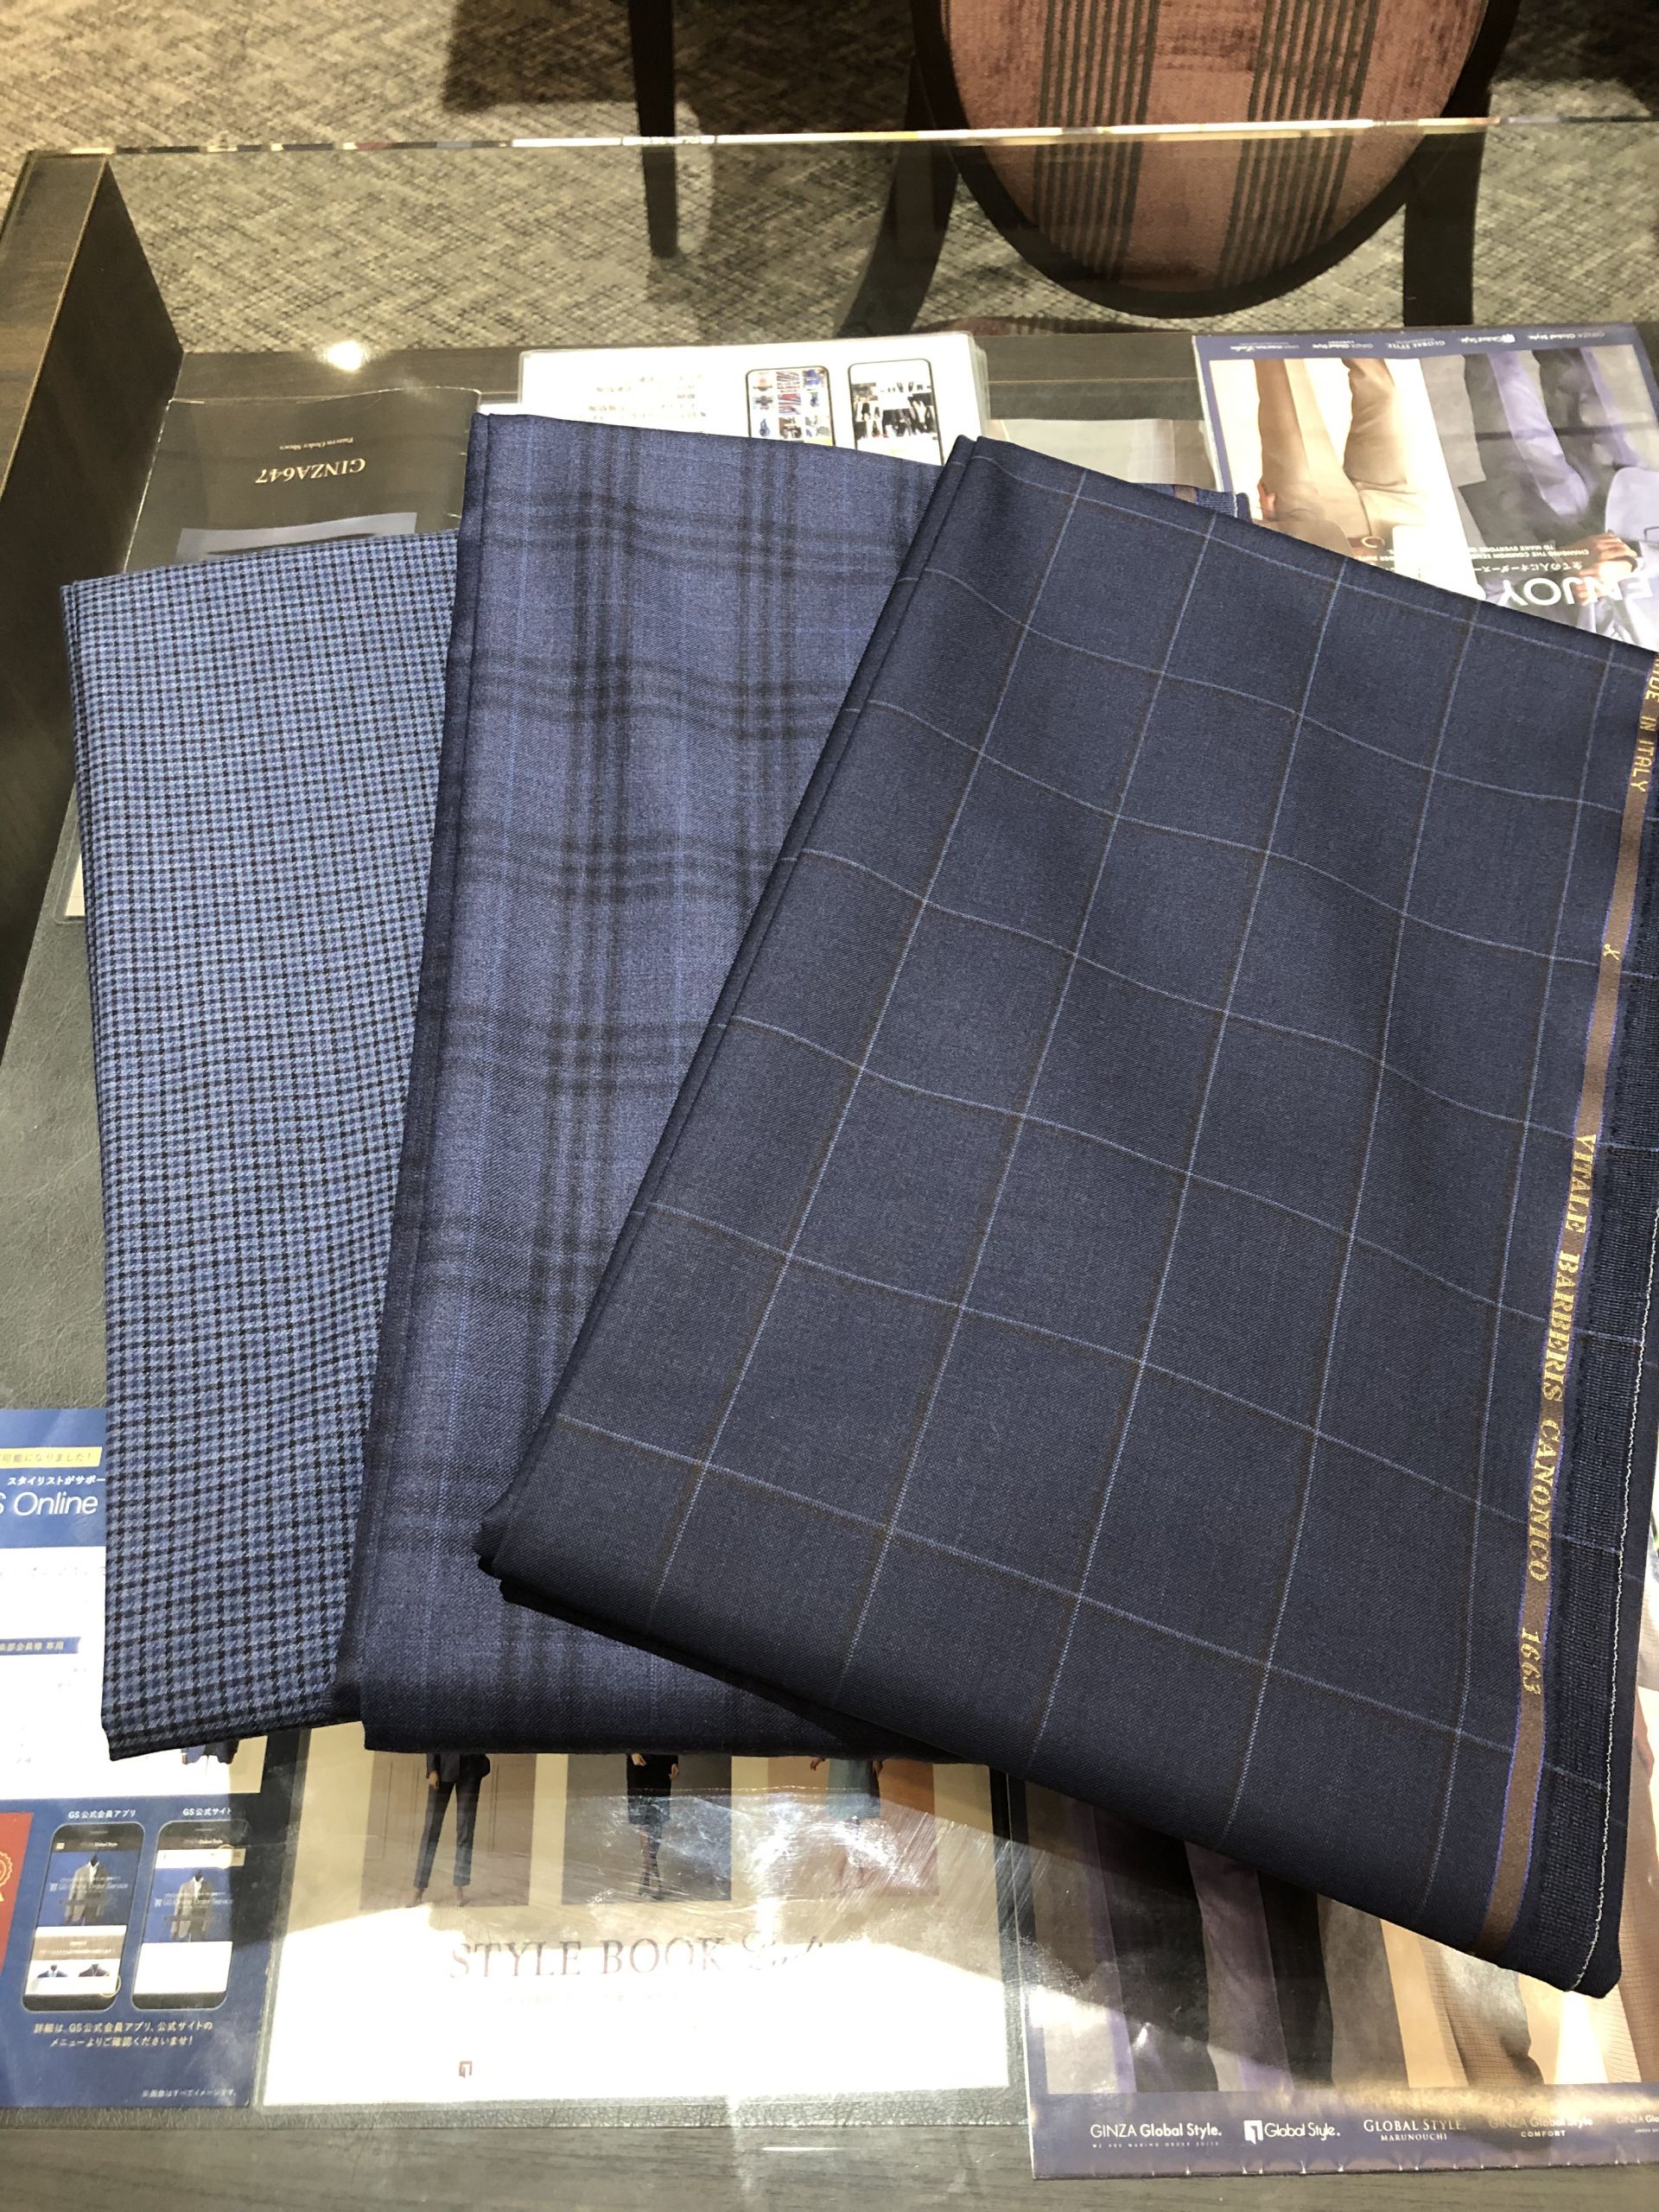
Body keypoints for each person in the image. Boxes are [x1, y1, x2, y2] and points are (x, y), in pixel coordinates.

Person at [1255, 355, 1431, 564]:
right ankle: (1348, 334)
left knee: (1284, 385)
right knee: (1383, 394)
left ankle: (1269, 335)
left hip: (1313, 530)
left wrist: (1272, 536)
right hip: (1391, 514)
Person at [413, 1751, 492, 1906]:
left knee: (465, 1829)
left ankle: (459, 1885)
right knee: (431, 1829)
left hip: (471, 1769)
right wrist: (432, 1769)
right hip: (442, 1768)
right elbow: (431, 1738)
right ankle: (419, 1887)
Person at [626, 1751, 679, 1899]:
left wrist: (674, 1760)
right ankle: (652, 1876)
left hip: (662, 1764)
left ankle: (647, 1875)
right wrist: (631, 1751)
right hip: (640, 1767)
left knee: (657, 1822)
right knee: (644, 1822)